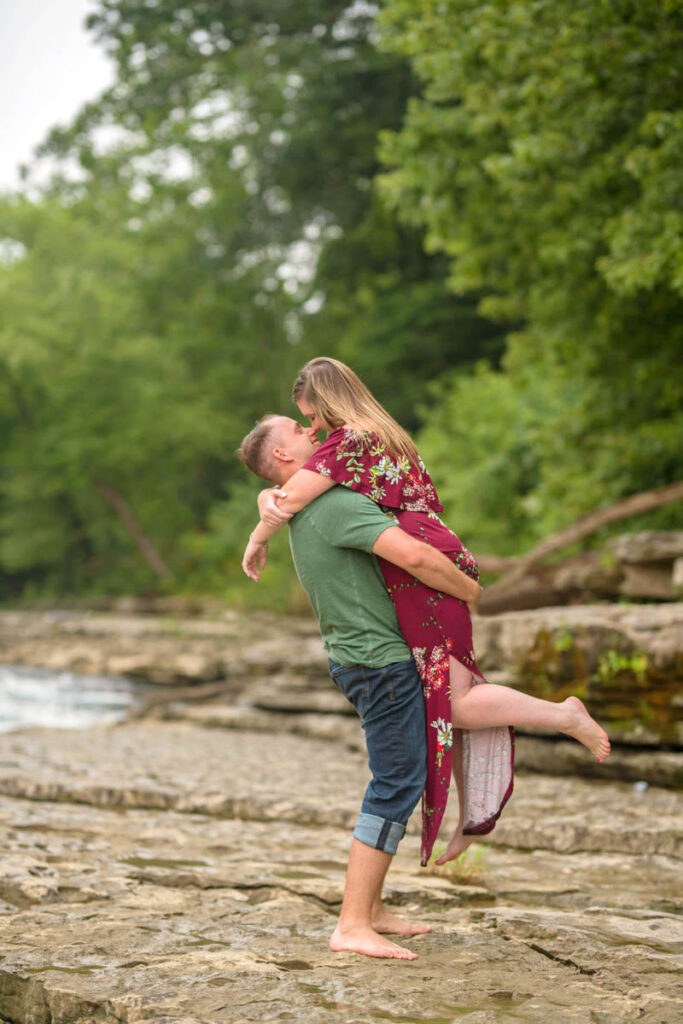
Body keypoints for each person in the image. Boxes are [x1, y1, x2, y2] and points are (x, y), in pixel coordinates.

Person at [243, 358, 611, 868]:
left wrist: (258, 535)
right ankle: (471, 816)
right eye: (304, 423)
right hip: (424, 562)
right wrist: (267, 495)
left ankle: (562, 716)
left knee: (456, 704)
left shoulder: (348, 442)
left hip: (424, 570)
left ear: (326, 401)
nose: (311, 426)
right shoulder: (372, 434)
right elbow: (284, 490)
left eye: (310, 416)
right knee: (450, 701)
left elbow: (287, 497)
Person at [237, 413, 482, 960]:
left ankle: (370, 910)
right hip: (380, 664)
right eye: (297, 432)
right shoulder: (334, 505)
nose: (312, 432)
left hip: (365, 661)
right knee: (396, 782)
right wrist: (469, 588)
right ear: (283, 457)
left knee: (401, 776)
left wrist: (263, 511)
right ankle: (351, 924)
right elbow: (415, 557)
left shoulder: (302, 505)